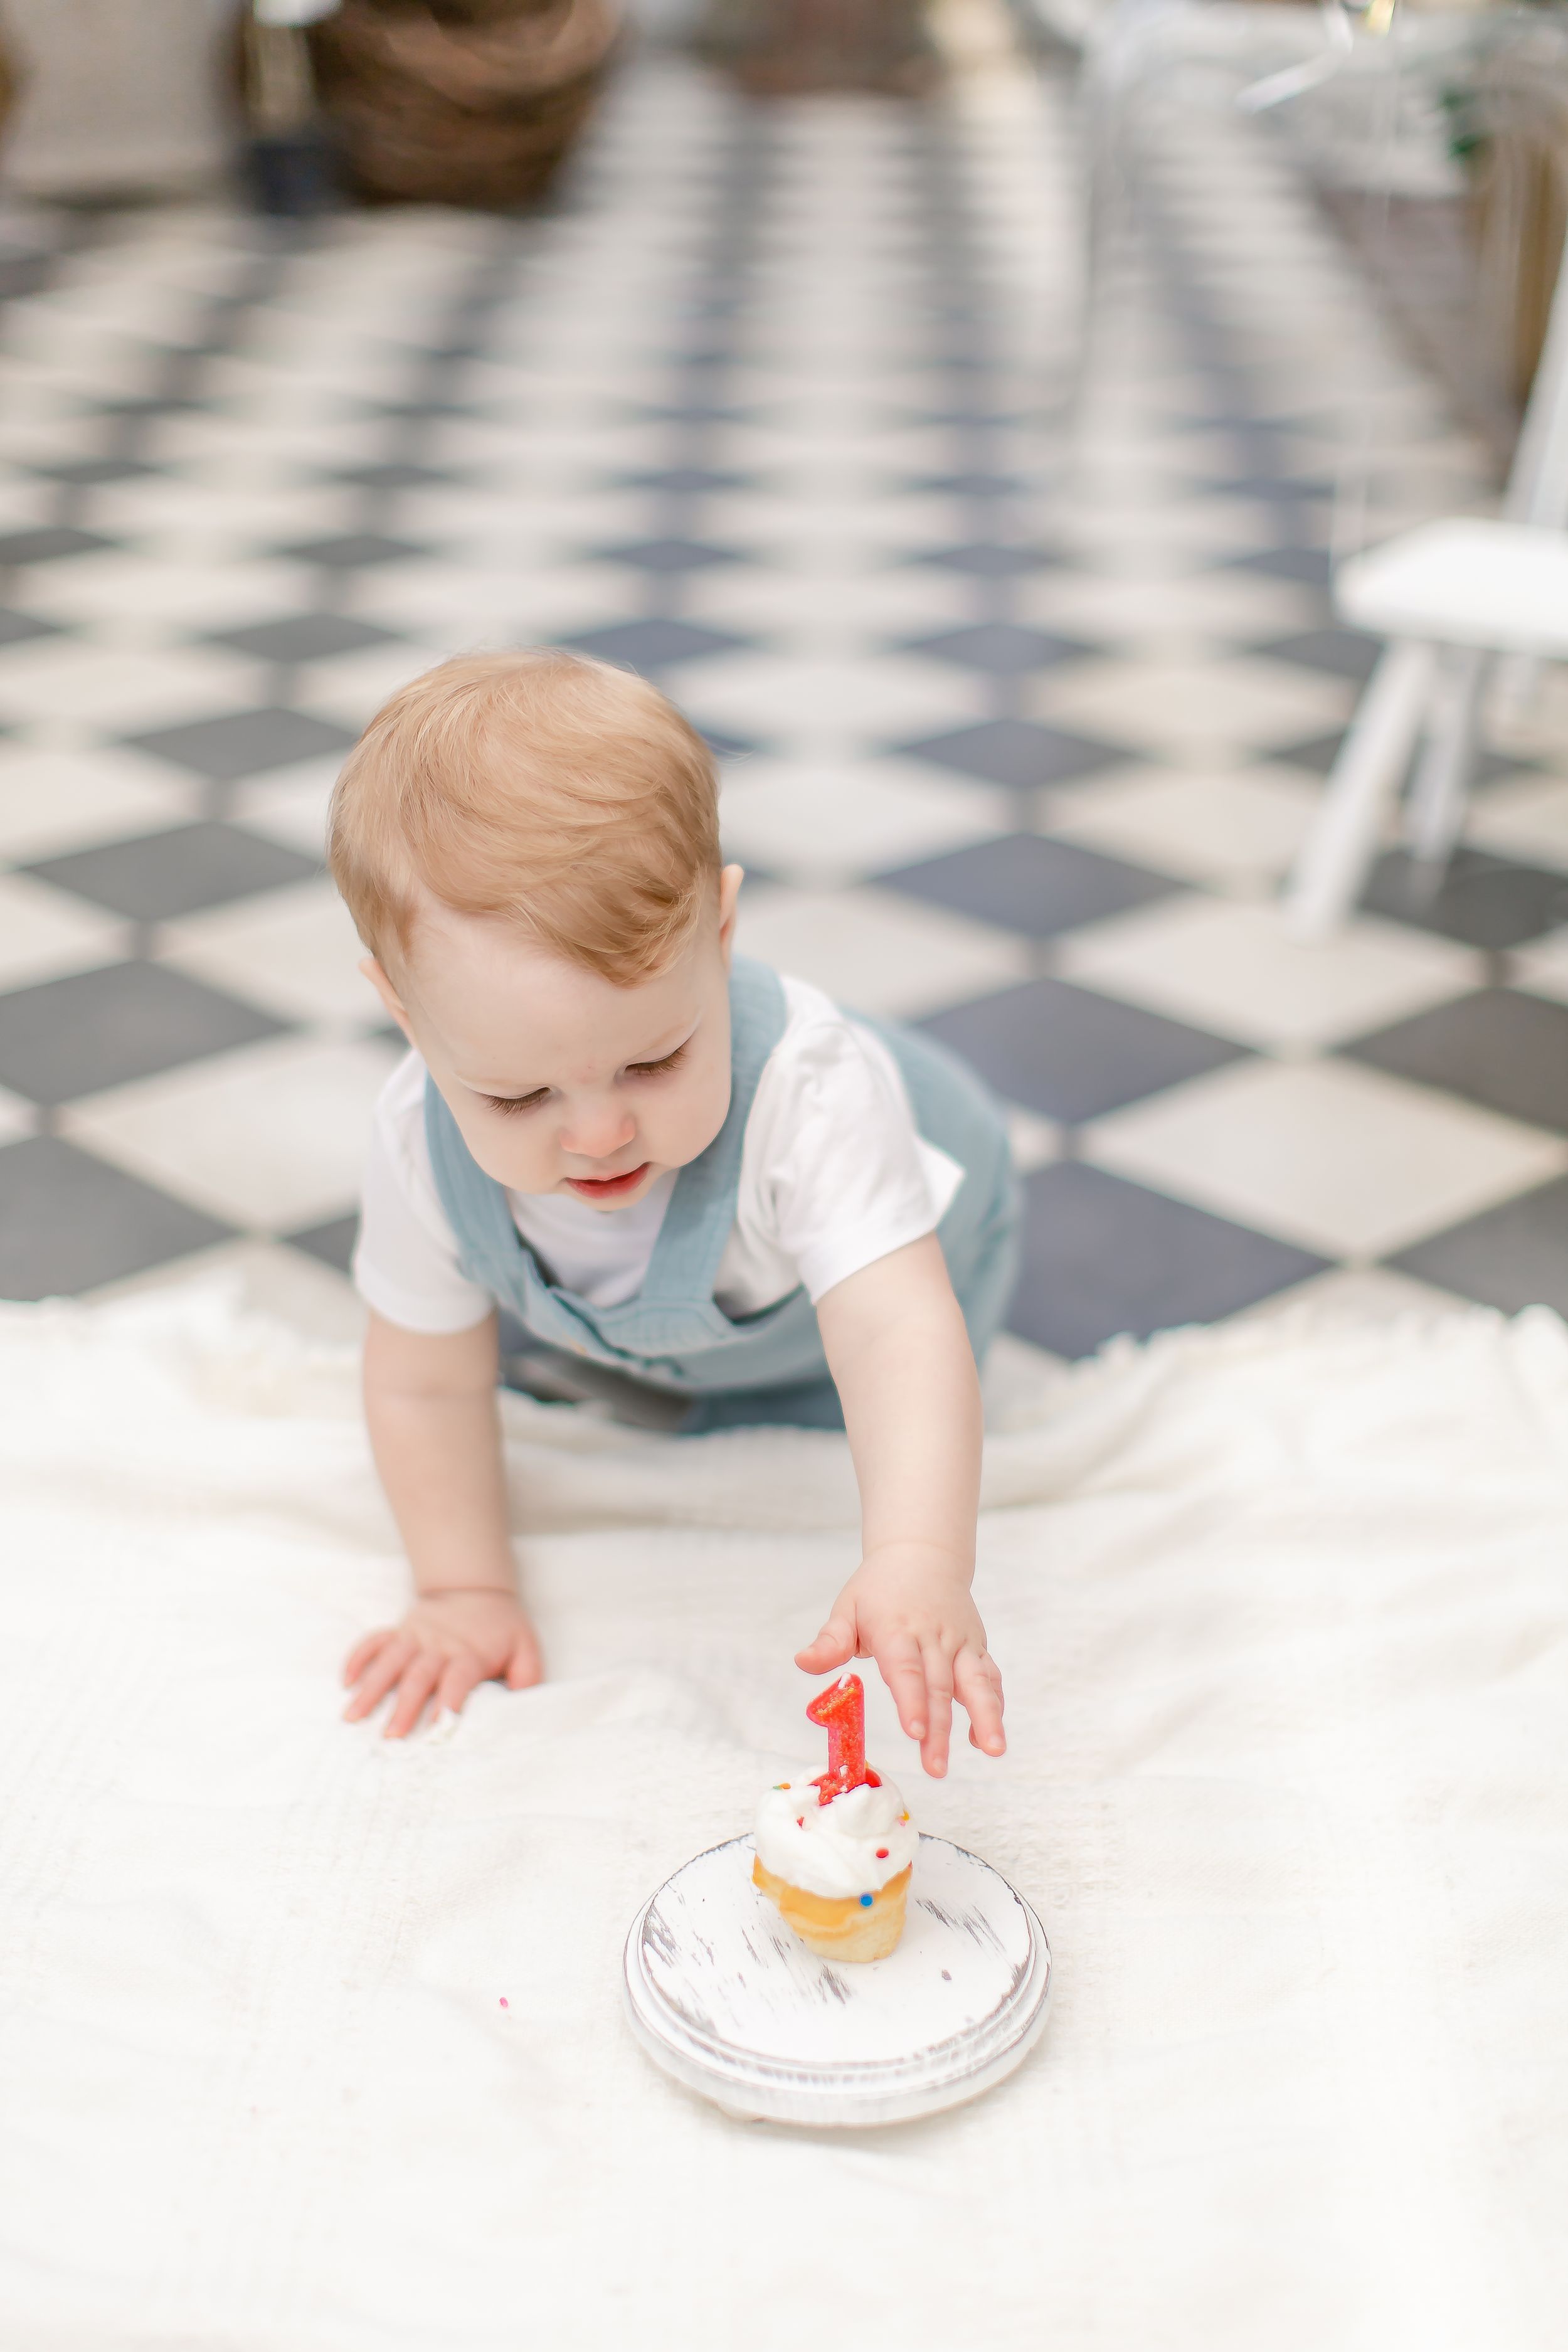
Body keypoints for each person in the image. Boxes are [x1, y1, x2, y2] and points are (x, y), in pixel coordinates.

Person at [329, 650, 1019, 1776]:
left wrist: (918, 1555)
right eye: (517, 1093)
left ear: (721, 932)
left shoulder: (810, 1092)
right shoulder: (415, 1135)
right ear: (401, 1010)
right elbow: (421, 1375)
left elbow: (898, 1331)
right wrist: (462, 1587)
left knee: (858, 1400)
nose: (597, 1132)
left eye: (655, 1059)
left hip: (937, 1221)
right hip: (727, 1308)